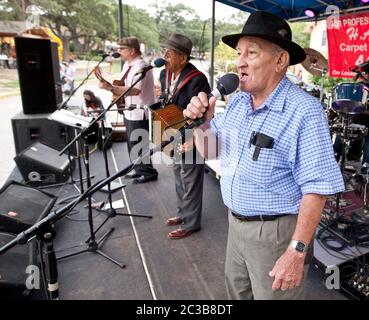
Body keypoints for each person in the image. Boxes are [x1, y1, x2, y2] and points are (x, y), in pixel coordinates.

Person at [184, 11, 344, 299]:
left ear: (281, 61)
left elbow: (317, 189)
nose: (240, 62)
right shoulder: (238, 102)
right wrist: (202, 124)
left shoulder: (304, 112)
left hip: (276, 236)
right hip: (234, 225)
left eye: (252, 53)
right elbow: (211, 150)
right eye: (239, 53)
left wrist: (296, 252)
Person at [159, 33, 211, 239]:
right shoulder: (165, 74)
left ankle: (191, 223)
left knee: (191, 180)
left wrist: (192, 138)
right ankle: (183, 213)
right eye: (165, 52)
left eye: (169, 54)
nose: (165, 57)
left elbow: (205, 112)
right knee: (179, 175)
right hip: (171, 131)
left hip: (191, 135)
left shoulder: (197, 79)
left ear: (183, 58)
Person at [99, 37, 158, 184]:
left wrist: (111, 88)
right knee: (132, 143)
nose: (119, 52)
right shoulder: (127, 65)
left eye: (122, 49)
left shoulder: (141, 66)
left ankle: (148, 172)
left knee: (139, 143)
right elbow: (124, 84)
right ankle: (138, 169)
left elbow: (135, 90)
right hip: (129, 110)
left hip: (140, 111)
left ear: (132, 51)